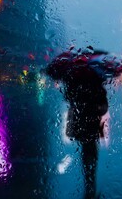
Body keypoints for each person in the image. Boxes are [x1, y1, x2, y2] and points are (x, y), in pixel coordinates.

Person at [46, 53, 108, 199]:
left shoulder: (72, 79)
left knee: (85, 146)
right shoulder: (96, 80)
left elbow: (68, 97)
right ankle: (90, 178)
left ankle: (88, 177)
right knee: (91, 147)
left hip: (79, 118)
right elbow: (103, 106)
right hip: (92, 119)